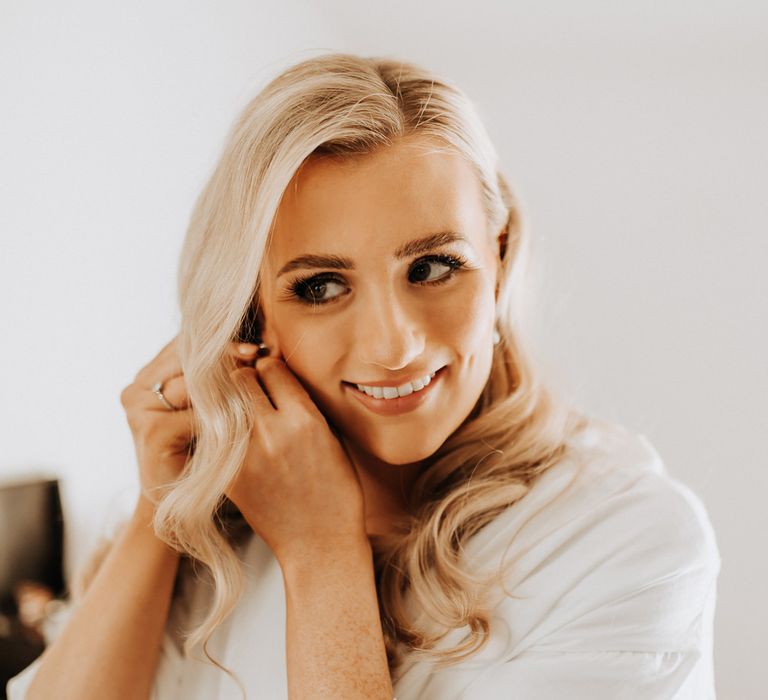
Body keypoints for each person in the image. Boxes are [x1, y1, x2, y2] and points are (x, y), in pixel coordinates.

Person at [7, 52, 720, 700]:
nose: (395, 347)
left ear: (498, 263)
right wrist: (160, 512)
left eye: (434, 267)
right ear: (252, 314)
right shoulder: (213, 543)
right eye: (320, 286)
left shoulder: (629, 542)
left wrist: (320, 554)